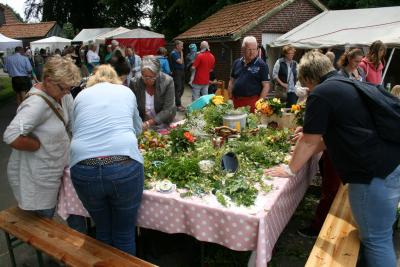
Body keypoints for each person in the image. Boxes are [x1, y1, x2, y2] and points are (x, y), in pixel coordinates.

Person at [266, 50, 400, 267]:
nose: (307, 91)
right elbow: (328, 137)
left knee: (376, 240)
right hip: (388, 166)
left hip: (372, 175)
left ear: (309, 79)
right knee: (376, 236)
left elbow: (309, 141)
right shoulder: (343, 82)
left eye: (306, 86)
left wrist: (290, 170)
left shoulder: (322, 93)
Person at [70, 64, 143, 255]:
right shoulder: (125, 91)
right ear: (115, 77)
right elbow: (138, 129)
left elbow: (75, 129)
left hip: (83, 167)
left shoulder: (80, 96)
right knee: (124, 232)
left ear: (93, 79)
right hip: (123, 165)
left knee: (102, 228)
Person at [3, 55, 81, 219]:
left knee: (65, 213)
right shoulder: (36, 105)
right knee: (43, 221)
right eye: (63, 88)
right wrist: (37, 145)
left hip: (55, 169)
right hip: (38, 176)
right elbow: (11, 136)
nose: (67, 92)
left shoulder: (62, 95)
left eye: (70, 88)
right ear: (47, 80)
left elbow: (73, 124)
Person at [129, 56, 176, 130]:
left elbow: (168, 109)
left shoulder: (167, 82)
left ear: (158, 74)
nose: (147, 80)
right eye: (144, 77)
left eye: (151, 77)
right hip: (142, 122)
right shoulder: (135, 82)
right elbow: (131, 106)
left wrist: (150, 122)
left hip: (164, 122)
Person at [228, 36, 270, 112]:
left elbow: (266, 86)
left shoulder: (262, 65)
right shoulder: (236, 63)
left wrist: (259, 103)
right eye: (249, 49)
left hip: (252, 103)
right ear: (243, 49)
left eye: (254, 49)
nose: (252, 52)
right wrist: (230, 98)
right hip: (236, 101)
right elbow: (231, 81)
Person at [170, 40, 185, 111]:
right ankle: (178, 105)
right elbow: (180, 62)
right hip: (177, 72)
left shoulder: (178, 52)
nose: (182, 47)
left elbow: (182, 63)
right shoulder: (174, 53)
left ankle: (178, 103)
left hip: (181, 71)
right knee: (178, 88)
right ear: (177, 46)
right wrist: (182, 53)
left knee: (182, 88)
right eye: (181, 46)